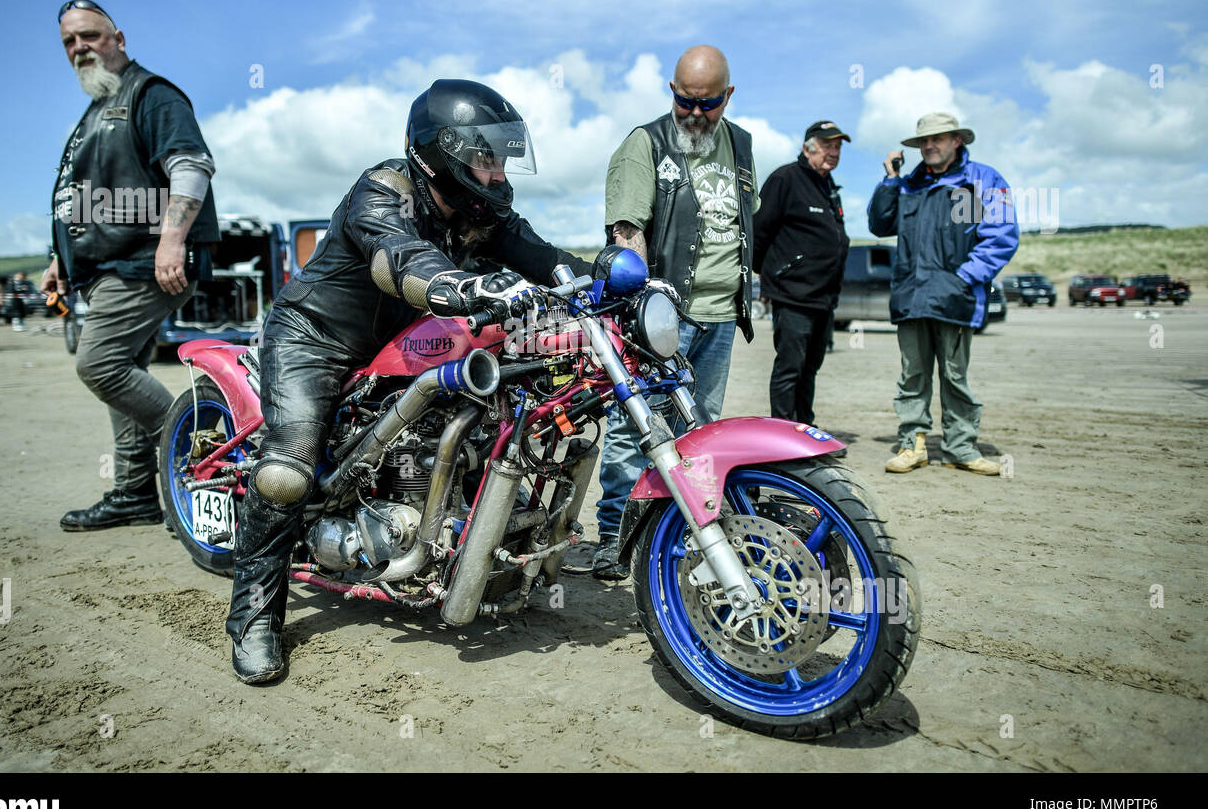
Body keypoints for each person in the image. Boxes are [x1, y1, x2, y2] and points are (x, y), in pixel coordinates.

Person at [225, 79, 591, 684]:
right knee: (289, 470)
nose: (497, 173)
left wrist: (608, 279)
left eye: (501, 158)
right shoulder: (383, 189)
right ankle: (255, 617)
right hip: (316, 338)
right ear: (439, 153)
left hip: (405, 348)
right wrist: (464, 287)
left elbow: (543, 256)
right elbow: (399, 257)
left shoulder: (486, 213)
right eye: (484, 158)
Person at [41, 0, 221, 530]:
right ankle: (135, 494)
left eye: (90, 36)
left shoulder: (152, 94)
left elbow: (191, 165)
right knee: (124, 374)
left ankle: (202, 449)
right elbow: (85, 195)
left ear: (118, 37)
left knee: (99, 365)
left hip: (144, 263)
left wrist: (171, 241)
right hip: (103, 267)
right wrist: (60, 257)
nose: (80, 49)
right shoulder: (95, 110)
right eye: (70, 42)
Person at [589, 45, 760, 580]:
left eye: (707, 104)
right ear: (672, 92)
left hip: (720, 314)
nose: (694, 114)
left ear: (728, 96)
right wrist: (642, 308)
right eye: (685, 101)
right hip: (662, 319)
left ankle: (679, 532)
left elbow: (740, 224)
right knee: (632, 430)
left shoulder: (743, 145)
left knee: (698, 430)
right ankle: (615, 538)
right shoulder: (646, 144)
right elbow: (628, 233)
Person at [867, 112, 1018, 476]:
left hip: (954, 298)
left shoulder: (976, 182)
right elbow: (879, 224)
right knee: (912, 377)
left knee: (954, 376)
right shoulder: (908, 186)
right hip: (911, 297)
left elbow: (999, 236)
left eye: (937, 139)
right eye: (924, 141)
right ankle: (913, 444)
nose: (929, 146)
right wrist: (890, 179)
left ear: (957, 141)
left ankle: (960, 447)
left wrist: (964, 278)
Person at [753, 120, 851, 428]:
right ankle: (784, 435)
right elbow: (758, 233)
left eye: (837, 147)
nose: (833, 152)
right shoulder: (785, 179)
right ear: (808, 147)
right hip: (793, 295)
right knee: (790, 369)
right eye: (827, 145)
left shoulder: (829, 187)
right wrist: (775, 276)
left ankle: (805, 430)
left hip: (823, 298)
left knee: (810, 369)